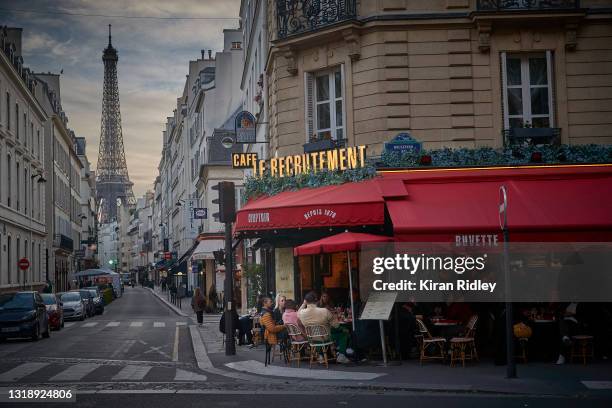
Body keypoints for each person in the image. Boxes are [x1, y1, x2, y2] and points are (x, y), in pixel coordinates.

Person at [298, 291, 349, 363]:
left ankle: (320, 355)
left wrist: (303, 304)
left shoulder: (302, 313)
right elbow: (336, 325)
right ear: (316, 300)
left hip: (311, 339)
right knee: (344, 332)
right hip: (325, 338)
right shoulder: (324, 311)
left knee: (326, 333)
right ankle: (341, 355)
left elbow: (298, 314)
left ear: (306, 301)